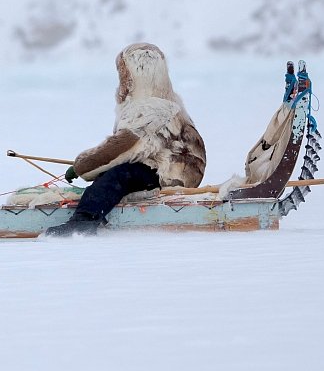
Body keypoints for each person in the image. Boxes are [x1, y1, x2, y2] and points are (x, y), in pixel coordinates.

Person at [45, 43, 206, 236]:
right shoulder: (163, 101)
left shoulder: (151, 108)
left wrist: (82, 166)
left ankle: (84, 222)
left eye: (124, 72)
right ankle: (96, 207)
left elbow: (123, 147)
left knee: (119, 175)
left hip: (172, 172)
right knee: (113, 174)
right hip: (162, 166)